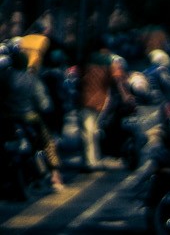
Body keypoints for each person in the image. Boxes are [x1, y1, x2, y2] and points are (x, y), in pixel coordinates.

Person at [0, 45, 64, 191]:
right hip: (29, 117)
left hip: (6, 119)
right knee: (48, 142)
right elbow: (44, 103)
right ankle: (55, 174)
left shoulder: (4, 77)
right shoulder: (32, 79)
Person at [79, 46, 130, 172]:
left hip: (86, 101)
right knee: (94, 131)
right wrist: (125, 95)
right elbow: (118, 79)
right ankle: (94, 160)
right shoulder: (110, 62)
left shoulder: (86, 62)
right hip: (101, 102)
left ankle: (91, 161)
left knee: (89, 132)